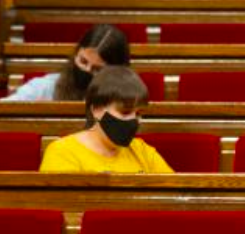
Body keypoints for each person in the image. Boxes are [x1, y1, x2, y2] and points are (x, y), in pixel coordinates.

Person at [39, 65, 173, 174]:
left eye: (138, 113)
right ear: (96, 110)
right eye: (125, 112)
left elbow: (174, 197)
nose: (134, 121)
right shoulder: (63, 153)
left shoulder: (143, 151)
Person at [3, 24, 130, 101]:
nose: (86, 70)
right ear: (76, 54)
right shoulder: (45, 87)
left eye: (97, 69)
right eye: (83, 61)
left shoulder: (127, 101)